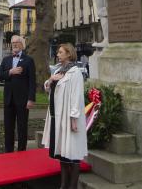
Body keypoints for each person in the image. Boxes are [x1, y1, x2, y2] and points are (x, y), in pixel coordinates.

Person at [42, 43, 88, 189]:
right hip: (58, 117)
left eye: (61, 52)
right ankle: (63, 185)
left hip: (68, 118)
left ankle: (72, 186)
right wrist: (50, 80)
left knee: (73, 153)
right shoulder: (59, 70)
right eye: (58, 52)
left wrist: (74, 119)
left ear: (69, 54)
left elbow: (77, 97)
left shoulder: (75, 73)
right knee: (62, 152)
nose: (58, 54)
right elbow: (50, 89)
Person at [0, 35, 36, 152]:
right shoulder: (6, 60)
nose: (14, 44)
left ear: (22, 44)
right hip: (8, 99)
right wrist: (10, 72)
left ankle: (21, 151)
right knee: (8, 127)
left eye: (17, 42)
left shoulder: (28, 60)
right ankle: (8, 152)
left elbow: (32, 81)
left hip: (23, 100)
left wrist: (31, 99)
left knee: (22, 127)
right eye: (12, 42)